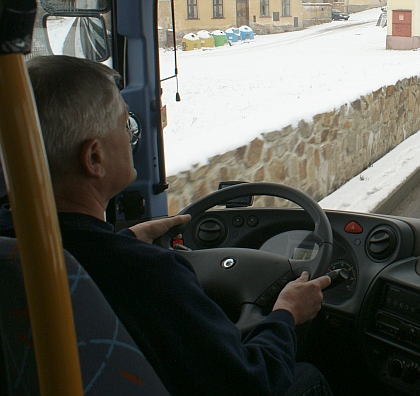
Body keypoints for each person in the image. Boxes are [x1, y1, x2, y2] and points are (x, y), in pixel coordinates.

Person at [0, 55, 332, 396]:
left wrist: (124, 239)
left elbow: (80, 256)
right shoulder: (145, 274)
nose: (132, 135)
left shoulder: (13, 251)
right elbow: (249, 382)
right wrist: (286, 314)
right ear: (94, 158)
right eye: (125, 123)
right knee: (305, 377)